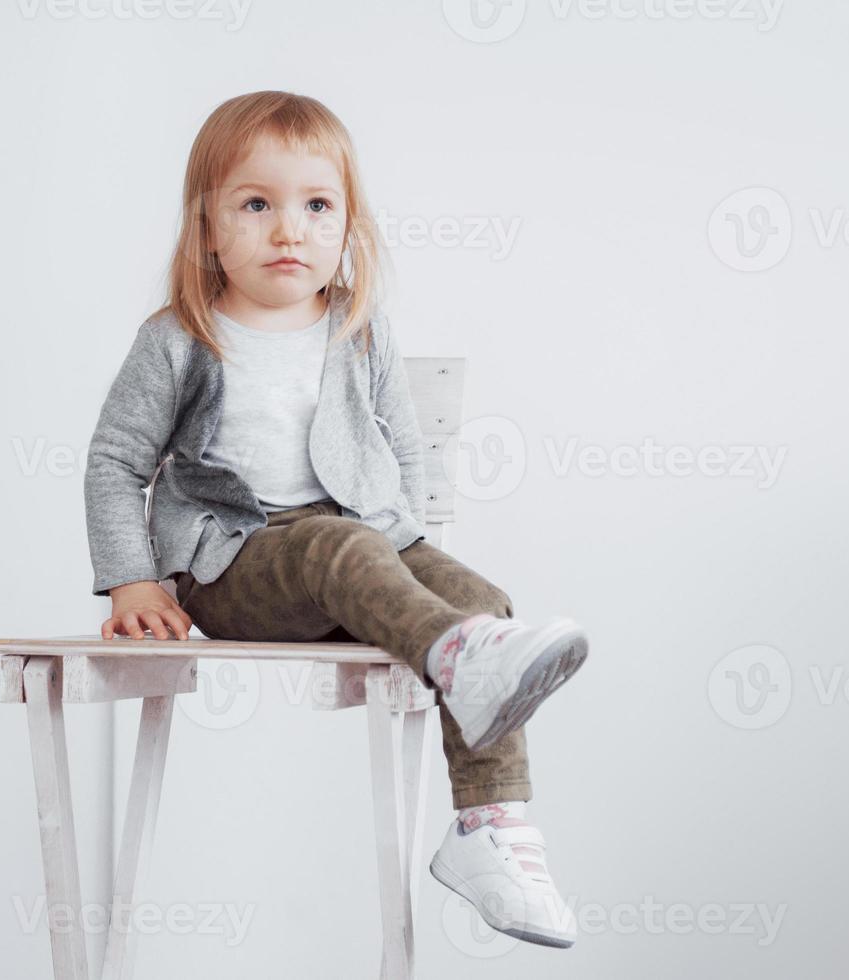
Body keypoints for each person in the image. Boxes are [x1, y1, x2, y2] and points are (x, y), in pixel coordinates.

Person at [83, 90, 590, 948]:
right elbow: (114, 462)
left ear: (347, 224)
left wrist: (418, 557)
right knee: (338, 543)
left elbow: (402, 450)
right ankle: (454, 657)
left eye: (316, 205)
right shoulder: (179, 336)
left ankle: (490, 828)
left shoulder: (358, 328)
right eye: (256, 204)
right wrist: (135, 577)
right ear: (207, 229)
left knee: (482, 597)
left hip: (359, 543)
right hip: (232, 566)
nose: (289, 230)